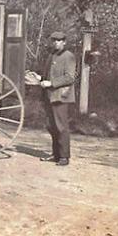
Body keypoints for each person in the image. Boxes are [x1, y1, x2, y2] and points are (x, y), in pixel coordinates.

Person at [39, 31, 77, 166]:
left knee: (61, 127)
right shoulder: (52, 55)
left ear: (64, 42)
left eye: (59, 40)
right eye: (54, 40)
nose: (56, 42)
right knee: (51, 126)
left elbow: (70, 77)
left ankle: (64, 157)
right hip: (50, 96)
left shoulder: (69, 56)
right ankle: (55, 154)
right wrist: (40, 79)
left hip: (61, 96)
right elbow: (47, 74)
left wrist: (51, 83)